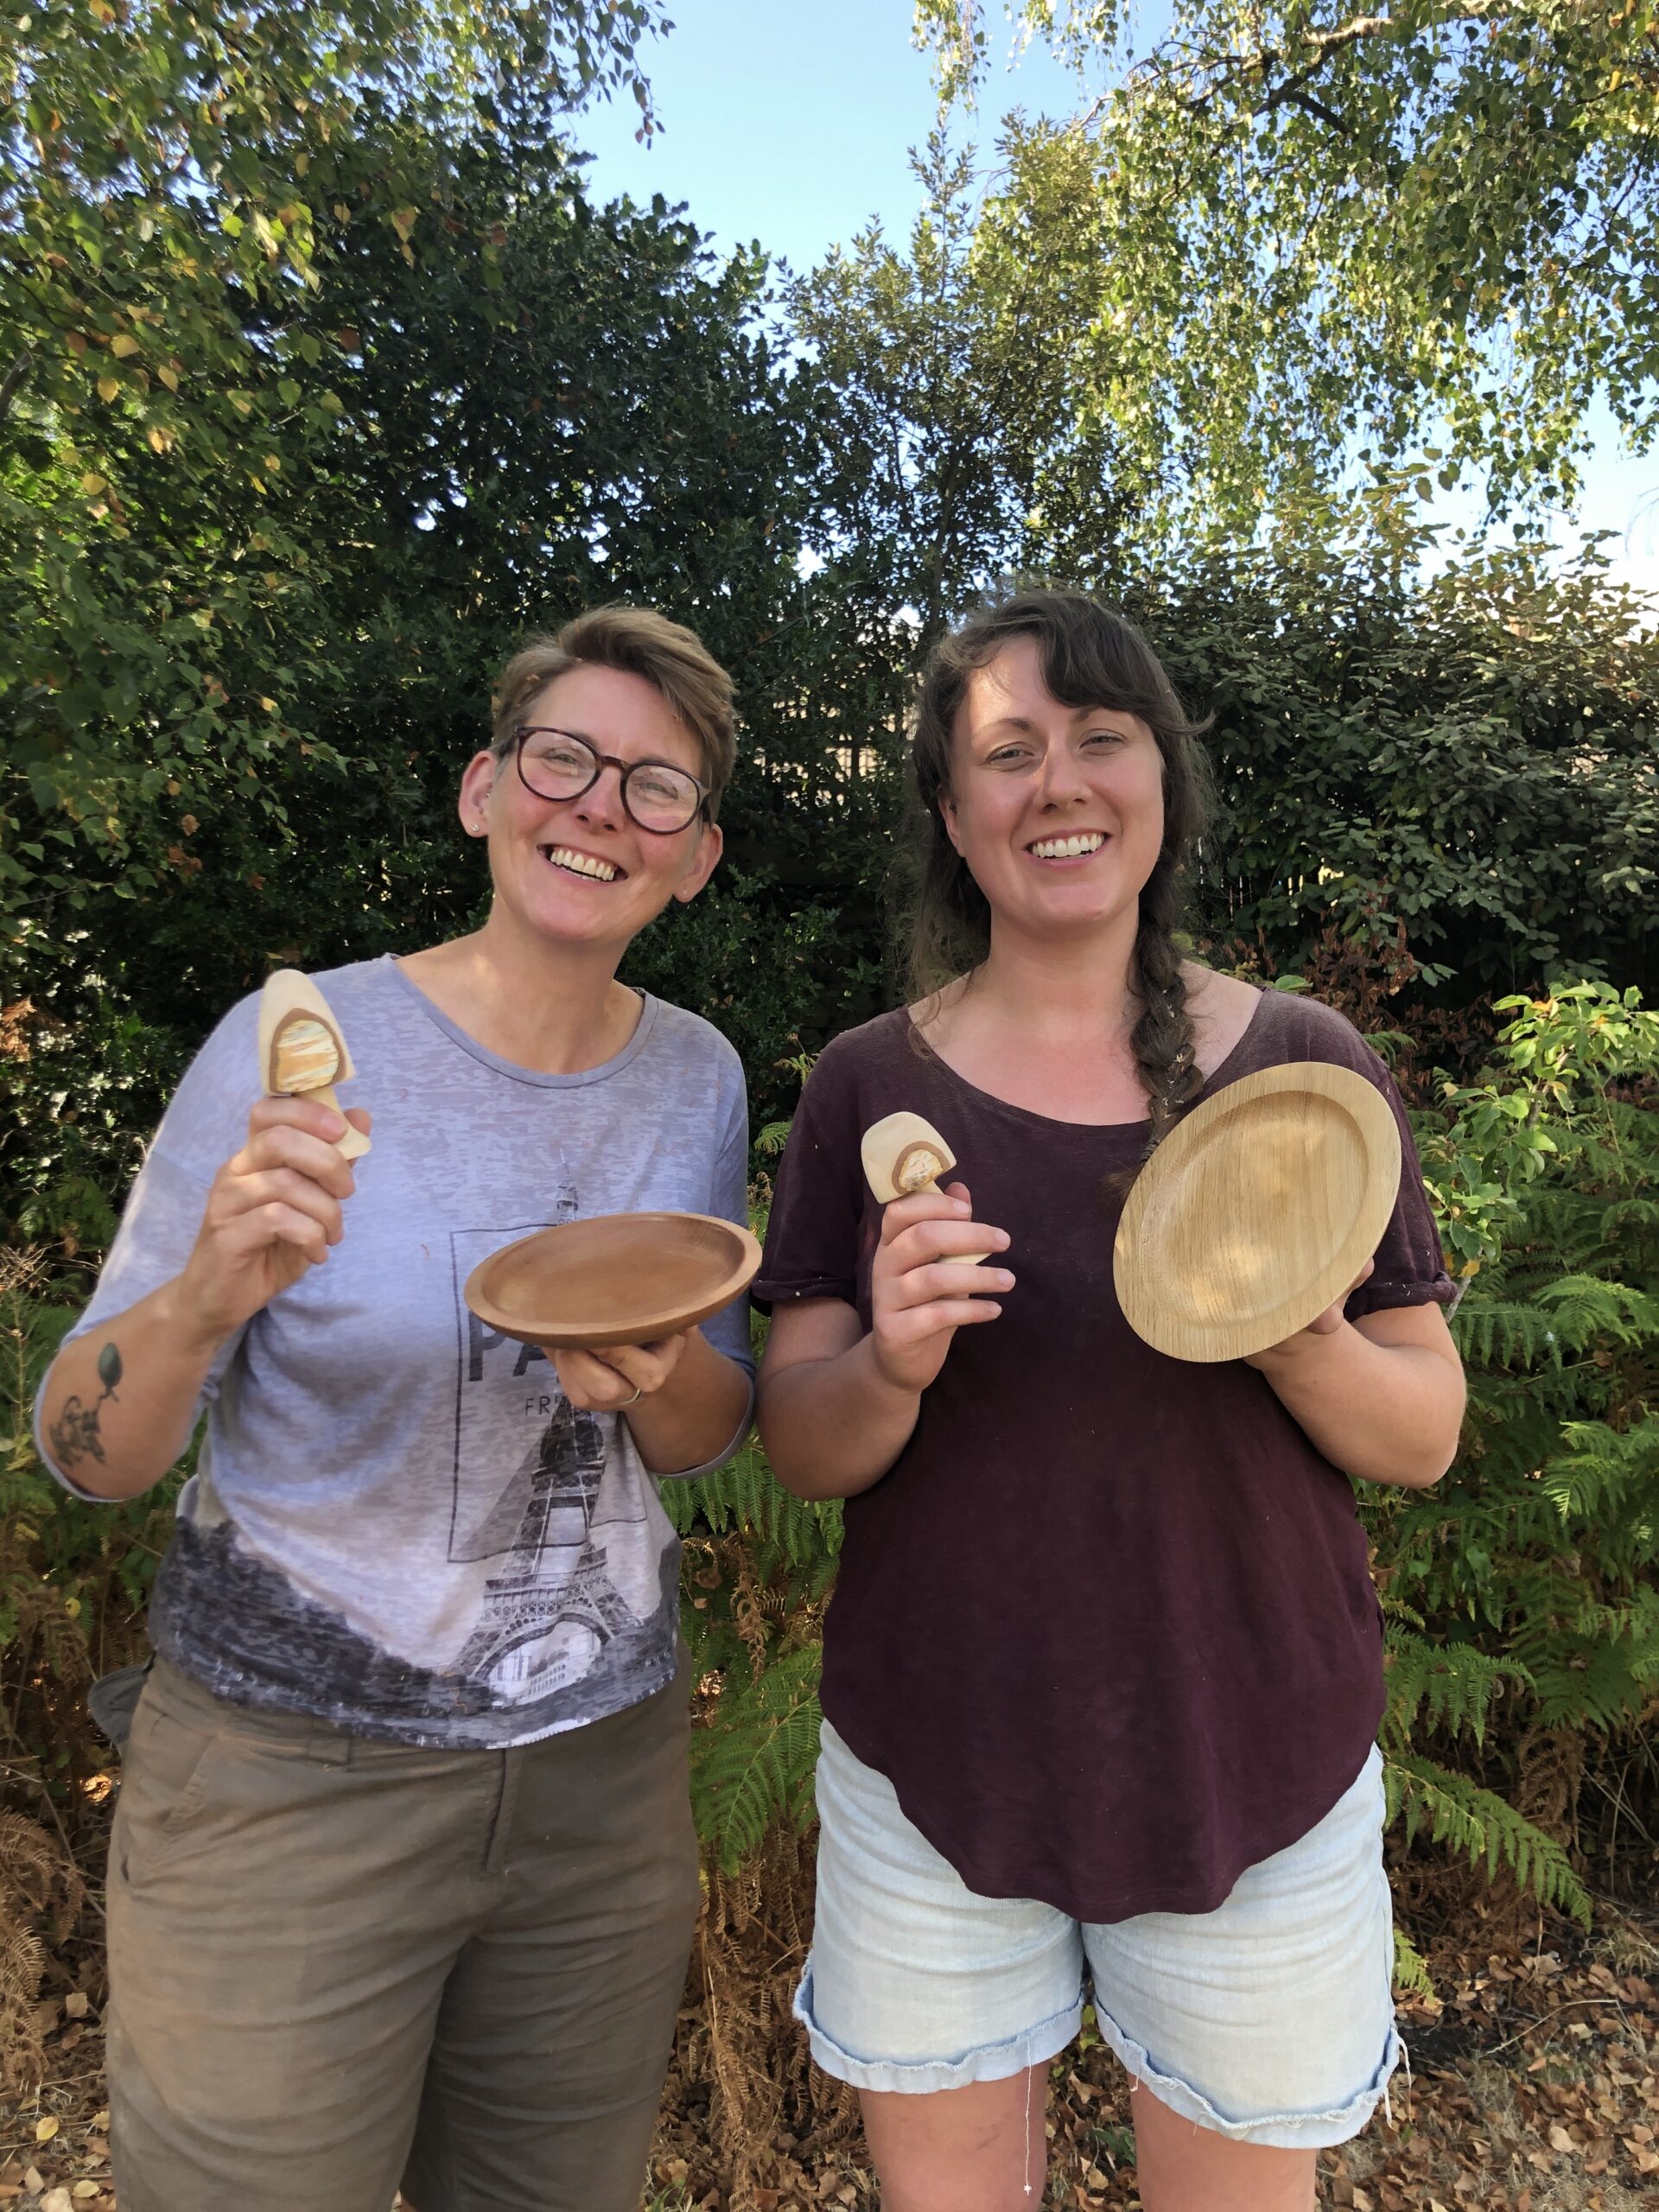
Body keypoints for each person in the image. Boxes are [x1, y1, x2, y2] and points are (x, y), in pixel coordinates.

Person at [35, 606, 756, 2212]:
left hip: (598, 1785)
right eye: (562, 758)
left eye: (657, 789)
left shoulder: (696, 1079)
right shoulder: (302, 1050)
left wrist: (659, 1375)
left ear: (696, 857)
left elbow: (703, 1431)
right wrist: (212, 1288)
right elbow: (87, 1450)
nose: (599, 808)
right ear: (483, 790)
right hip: (291, 1783)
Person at [752, 590, 1465, 2212]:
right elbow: (804, 1447)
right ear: (952, 812)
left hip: (1252, 1759)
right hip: (937, 1766)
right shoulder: (869, 1083)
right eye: (1008, 754)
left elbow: (1422, 1433)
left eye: (1100, 737)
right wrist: (893, 1361)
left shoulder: (1305, 1075)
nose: (1058, 782)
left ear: (1163, 779)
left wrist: (1294, 1336)